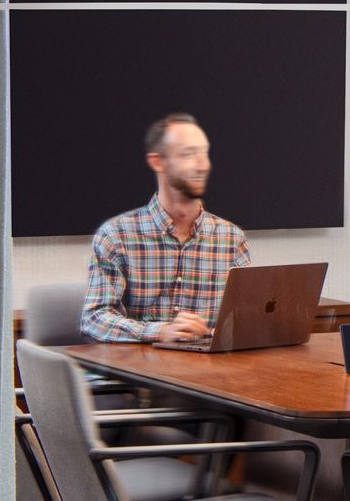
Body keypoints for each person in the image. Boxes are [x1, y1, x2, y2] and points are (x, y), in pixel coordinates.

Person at [82, 112, 252, 343]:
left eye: (204, 153)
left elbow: (245, 317)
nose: (203, 165)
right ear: (157, 161)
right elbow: (95, 318)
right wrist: (160, 332)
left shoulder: (231, 238)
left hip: (210, 371)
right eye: (188, 154)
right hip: (139, 370)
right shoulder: (116, 235)